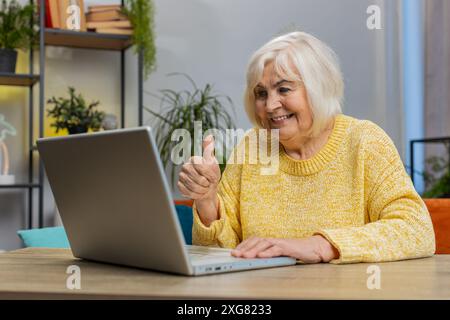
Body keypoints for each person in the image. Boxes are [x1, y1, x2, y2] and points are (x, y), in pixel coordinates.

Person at [177, 31, 435, 264]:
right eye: (261, 93)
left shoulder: (364, 141)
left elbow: (416, 230)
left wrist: (321, 245)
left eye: (284, 89)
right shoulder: (252, 147)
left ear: (318, 89)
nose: (270, 106)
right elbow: (221, 256)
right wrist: (207, 200)